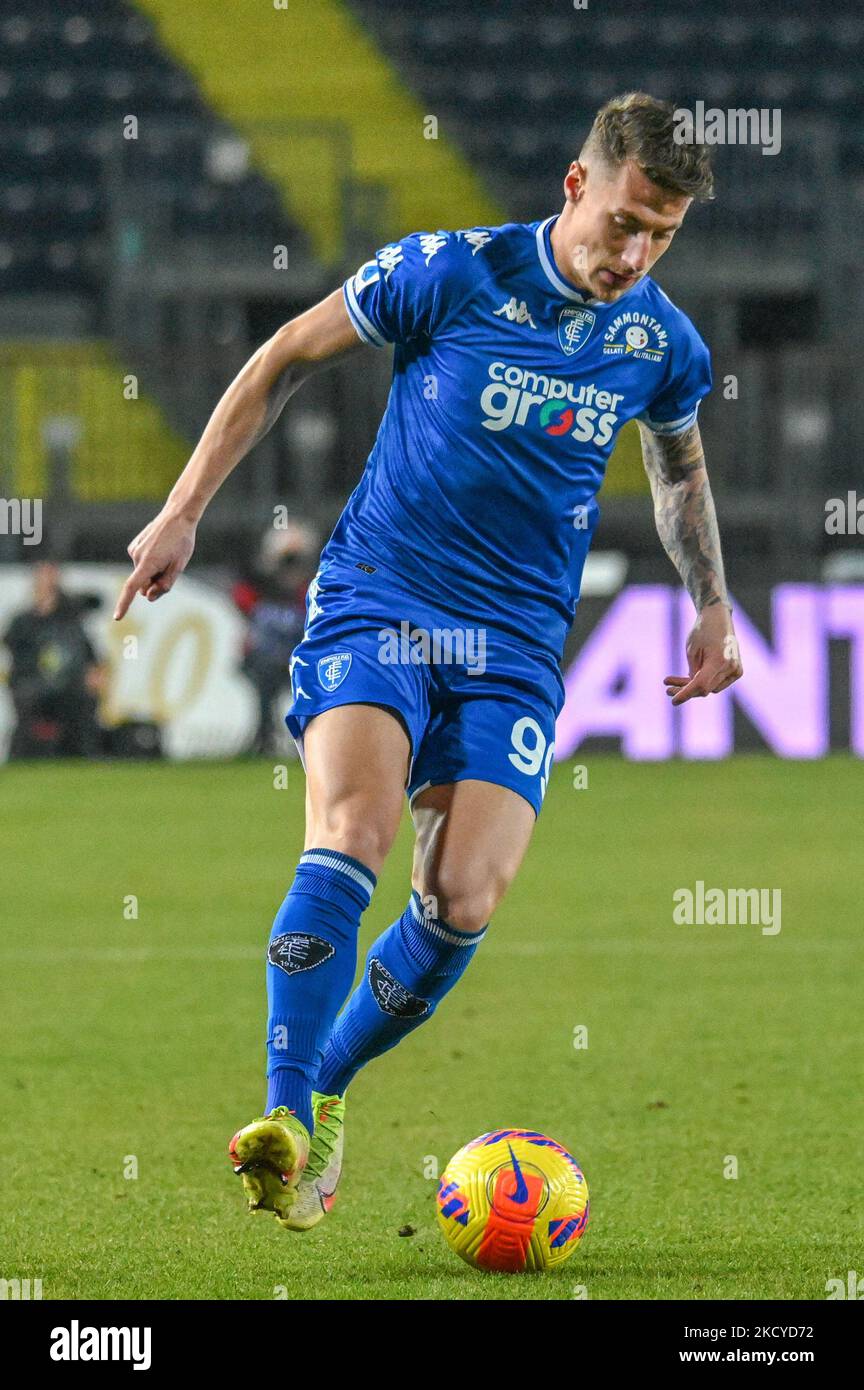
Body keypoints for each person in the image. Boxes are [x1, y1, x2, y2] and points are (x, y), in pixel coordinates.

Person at [114, 92, 743, 1231]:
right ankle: (283, 1116)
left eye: (663, 234)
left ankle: (331, 1090)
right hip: (381, 604)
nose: (636, 254)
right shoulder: (450, 272)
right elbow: (281, 358)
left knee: (462, 898)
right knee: (350, 827)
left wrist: (712, 603)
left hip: (514, 647)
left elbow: (681, 469)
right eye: (624, 223)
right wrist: (182, 510)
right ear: (574, 186)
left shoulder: (661, 341)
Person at [5, 561, 105, 759]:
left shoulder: (70, 618)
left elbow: (88, 651)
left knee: (83, 704)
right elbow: (15, 657)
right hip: (33, 685)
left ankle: (87, 756)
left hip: (69, 685)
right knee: (28, 699)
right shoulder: (22, 622)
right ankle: (21, 756)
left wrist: (94, 672)